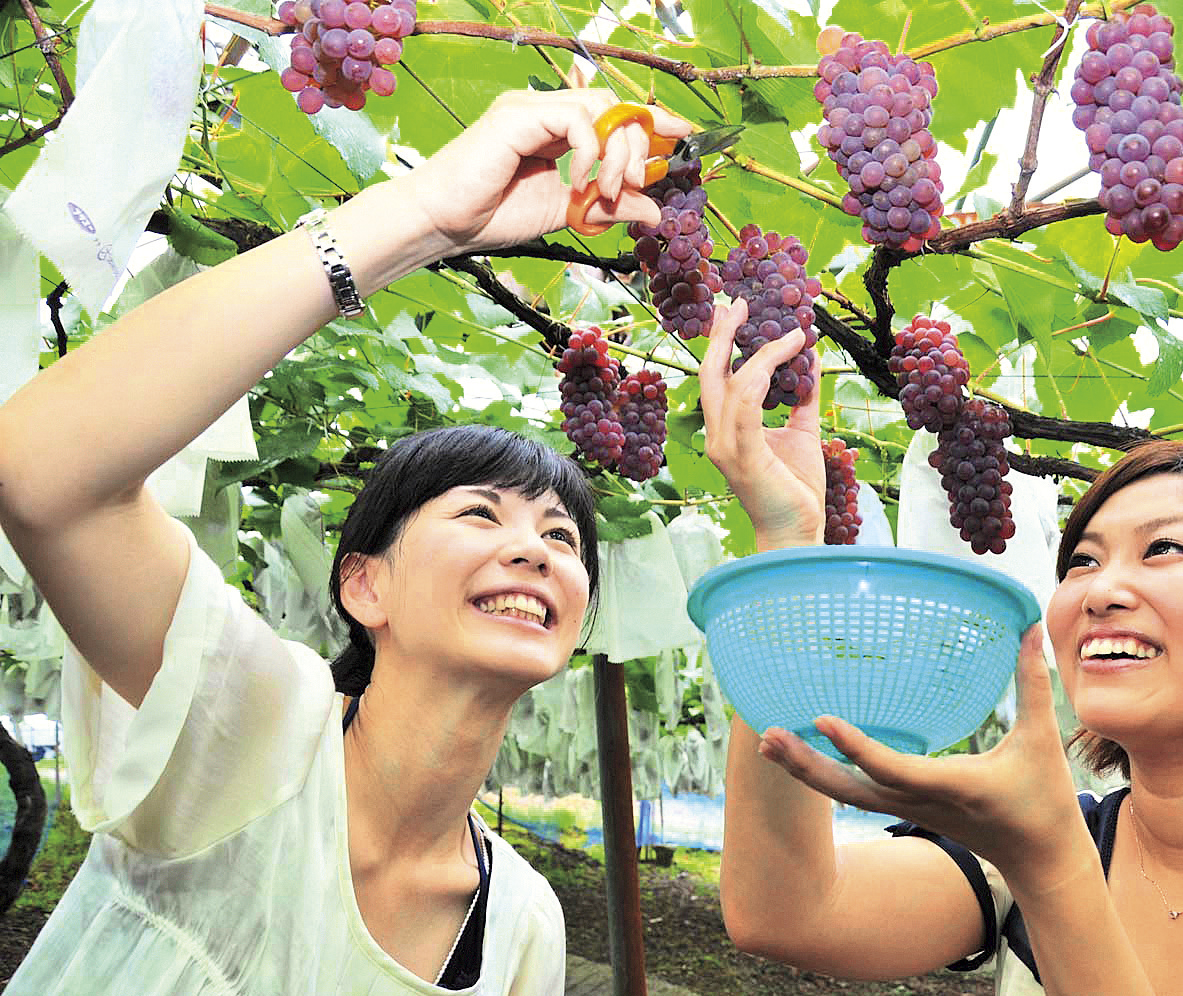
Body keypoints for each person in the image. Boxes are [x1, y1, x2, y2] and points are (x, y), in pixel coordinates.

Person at [0, 88, 692, 994]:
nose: (535, 551)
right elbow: (43, 471)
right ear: (364, 585)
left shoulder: (523, 921)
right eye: (481, 514)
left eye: (562, 537)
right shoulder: (256, 730)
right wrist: (420, 218)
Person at [697, 359, 1183, 996]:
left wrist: (1049, 866)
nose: (1097, 591)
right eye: (1082, 560)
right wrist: (786, 543)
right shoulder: (1047, 848)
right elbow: (789, 912)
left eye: (1166, 549)